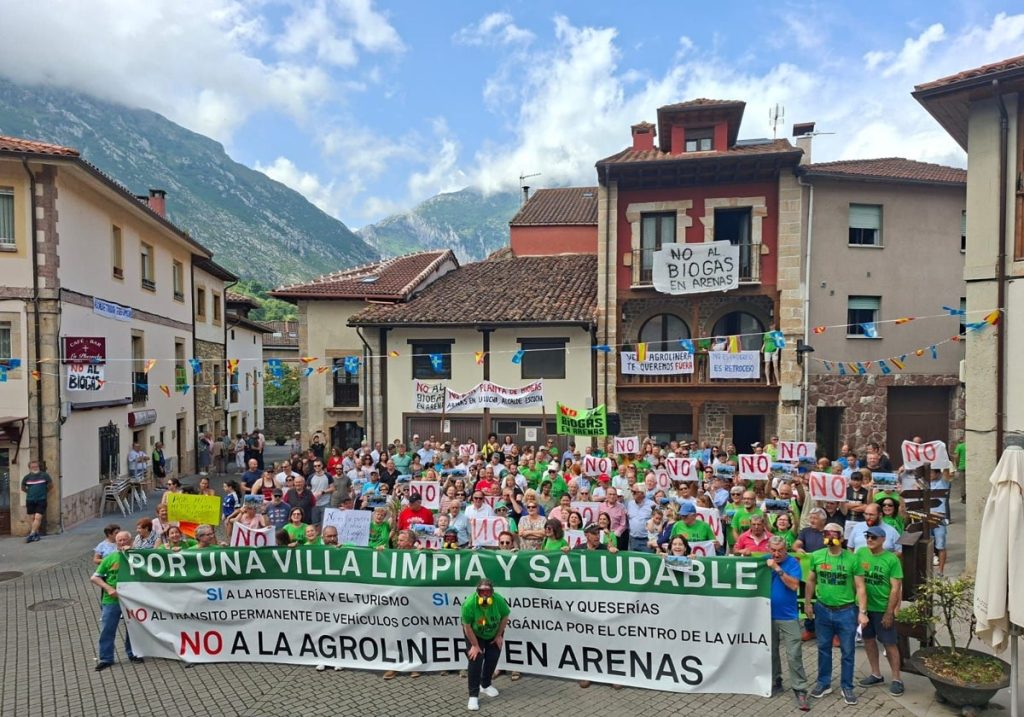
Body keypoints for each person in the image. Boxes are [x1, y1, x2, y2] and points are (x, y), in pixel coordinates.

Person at [804, 522, 868, 705]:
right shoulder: (816, 556)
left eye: (833, 534)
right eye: (826, 534)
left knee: (848, 651)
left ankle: (847, 686)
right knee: (823, 649)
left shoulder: (852, 559)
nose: (830, 538)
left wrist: (862, 612)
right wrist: (808, 603)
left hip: (846, 611)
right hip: (823, 609)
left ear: (841, 538)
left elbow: (860, 587)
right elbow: (810, 581)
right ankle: (824, 683)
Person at [855, 525, 905, 696]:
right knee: (868, 640)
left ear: (883, 540)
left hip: (882, 608)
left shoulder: (891, 560)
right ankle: (876, 673)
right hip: (864, 608)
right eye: (868, 536)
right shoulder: (860, 553)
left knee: (890, 643)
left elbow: (895, 588)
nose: (869, 539)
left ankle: (897, 678)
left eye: (873, 537)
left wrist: (890, 612)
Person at [765, 535, 810, 711]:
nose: (776, 554)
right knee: (771, 652)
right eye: (773, 551)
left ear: (786, 550)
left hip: (788, 616)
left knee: (794, 654)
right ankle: (776, 681)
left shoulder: (792, 563)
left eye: (780, 551)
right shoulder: (764, 560)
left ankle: (800, 689)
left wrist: (777, 568)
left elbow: (793, 586)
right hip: (766, 615)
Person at [91, 530, 143, 670]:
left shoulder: (139, 557)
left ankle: (133, 653)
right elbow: (95, 577)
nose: (122, 543)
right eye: (119, 540)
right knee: (107, 629)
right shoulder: (109, 558)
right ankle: (106, 658)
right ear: (116, 543)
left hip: (132, 600)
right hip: (111, 600)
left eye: (125, 540)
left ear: (131, 541)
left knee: (133, 628)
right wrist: (108, 589)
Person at [462, 578, 510, 712]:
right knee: (476, 659)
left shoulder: (498, 600)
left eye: (487, 591)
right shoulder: (469, 604)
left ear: (492, 593)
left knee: (493, 656)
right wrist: (475, 645)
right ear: (477, 592)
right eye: (481, 591)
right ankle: (473, 695)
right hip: (474, 632)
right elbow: (467, 626)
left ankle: (486, 684)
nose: (484, 594)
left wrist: (499, 635)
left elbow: (505, 617)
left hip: (493, 632)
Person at [21, 459, 52, 543]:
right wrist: (30, 492)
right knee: (32, 518)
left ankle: (31, 534)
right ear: (29, 468)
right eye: (33, 467)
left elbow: (50, 486)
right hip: (30, 500)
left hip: (41, 499)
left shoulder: (45, 475)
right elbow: (23, 488)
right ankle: (36, 534)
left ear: (39, 467)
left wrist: (43, 492)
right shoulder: (26, 477)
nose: (35, 468)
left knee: (38, 517)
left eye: (36, 466)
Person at [626, 484, 655, 552]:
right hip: (633, 539)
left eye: (634, 492)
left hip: (646, 540)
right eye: (632, 491)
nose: (632, 494)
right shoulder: (630, 504)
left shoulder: (652, 505)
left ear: (642, 493)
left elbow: (658, 520)